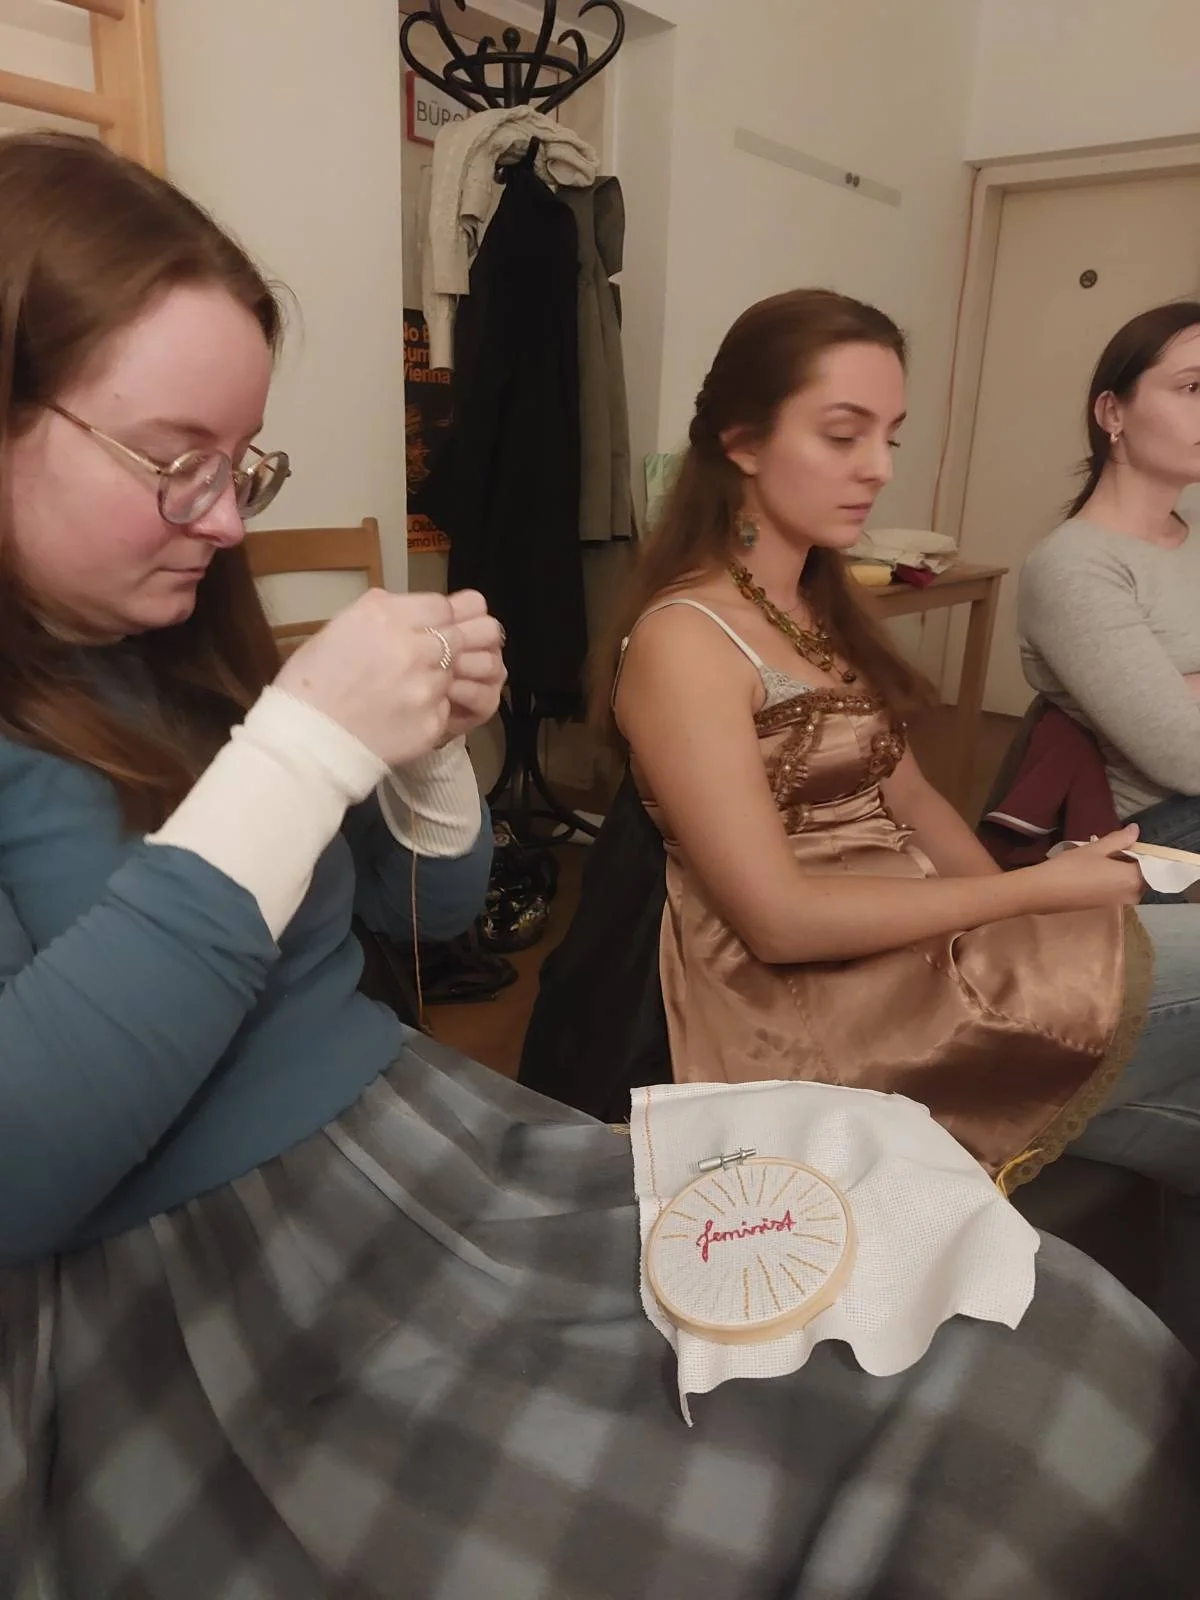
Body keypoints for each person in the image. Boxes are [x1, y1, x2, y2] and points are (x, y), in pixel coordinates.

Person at [1, 138, 1198, 1600]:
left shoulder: (170, 641)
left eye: (241, 462)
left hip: (425, 1144)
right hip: (252, 1268)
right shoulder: (690, 636)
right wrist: (304, 754)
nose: (227, 518)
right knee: (964, 1464)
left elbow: (422, 927)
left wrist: (428, 764)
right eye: (171, 458)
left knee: (1049, 1342)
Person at [604, 288, 1200, 1358]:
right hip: (821, 997)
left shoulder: (813, 610)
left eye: (889, 436)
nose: (877, 466)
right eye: (842, 434)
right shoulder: (684, 640)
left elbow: (915, 795)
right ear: (740, 440)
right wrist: (1036, 893)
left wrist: (1021, 927)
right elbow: (778, 921)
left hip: (919, 938)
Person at [1019, 302, 1200, 896]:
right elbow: (1186, 756)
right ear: (1112, 411)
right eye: (1192, 386)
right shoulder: (1075, 565)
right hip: (1163, 836)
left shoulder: (1195, 523)